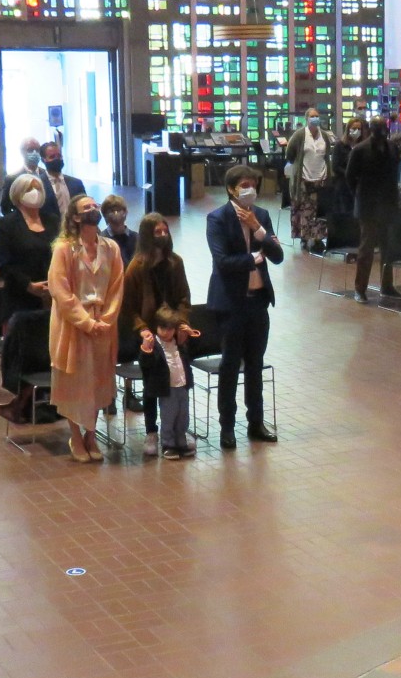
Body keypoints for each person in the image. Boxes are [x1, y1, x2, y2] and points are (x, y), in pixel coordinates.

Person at [205, 167, 283, 449]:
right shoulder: (217, 218)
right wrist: (254, 258)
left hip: (258, 302)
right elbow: (223, 262)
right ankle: (227, 426)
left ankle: (256, 422)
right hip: (231, 304)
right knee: (229, 365)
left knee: (255, 365)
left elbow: (278, 256)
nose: (250, 189)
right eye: (245, 185)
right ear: (231, 190)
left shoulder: (261, 216)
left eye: (254, 185)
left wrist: (258, 230)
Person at [48, 193, 124, 463]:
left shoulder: (111, 248)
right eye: (86, 207)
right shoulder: (64, 248)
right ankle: (75, 435)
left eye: (95, 205)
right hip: (73, 323)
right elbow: (61, 291)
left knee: (97, 381)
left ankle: (91, 434)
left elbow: (116, 287)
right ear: (76, 217)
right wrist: (86, 322)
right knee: (74, 382)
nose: (93, 208)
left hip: (103, 323)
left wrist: (106, 319)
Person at [121, 213, 193, 454]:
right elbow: (128, 307)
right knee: (153, 386)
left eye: (165, 231)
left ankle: (178, 432)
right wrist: (143, 331)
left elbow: (184, 298)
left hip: (172, 333)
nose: (163, 236)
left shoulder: (176, 262)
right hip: (150, 334)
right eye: (157, 232)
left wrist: (181, 324)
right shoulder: (136, 268)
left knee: (178, 384)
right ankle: (152, 432)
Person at [0, 172, 60, 422]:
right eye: (30, 189)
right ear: (19, 195)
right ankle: (15, 402)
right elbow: (3, 262)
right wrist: (28, 285)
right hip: (20, 295)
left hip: (51, 295)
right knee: (23, 351)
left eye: (38, 188)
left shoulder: (53, 221)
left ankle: (45, 403)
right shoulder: (8, 224)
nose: (36, 193)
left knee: (46, 350)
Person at [346, 118, 401, 301]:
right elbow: (350, 177)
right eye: (377, 129)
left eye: (382, 129)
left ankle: (387, 286)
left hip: (387, 204)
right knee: (366, 250)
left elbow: (394, 174)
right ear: (370, 129)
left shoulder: (392, 148)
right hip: (368, 206)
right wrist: (360, 195)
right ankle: (360, 288)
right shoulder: (360, 149)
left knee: (388, 249)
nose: (380, 132)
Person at [139, 305, 196, 461]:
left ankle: (181, 441)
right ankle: (168, 444)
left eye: (170, 329)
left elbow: (187, 358)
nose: (166, 333)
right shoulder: (154, 345)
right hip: (168, 389)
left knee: (183, 416)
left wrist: (186, 335)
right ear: (156, 327)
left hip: (182, 386)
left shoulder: (179, 342)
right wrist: (146, 348)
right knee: (169, 417)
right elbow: (145, 364)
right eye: (162, 328)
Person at [284, 108, 332, 249]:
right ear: (306, 118)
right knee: (305, 209)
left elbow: (327, 154)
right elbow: (290, 153)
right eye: (312, 116)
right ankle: (305, 237)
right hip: (304, 179)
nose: (315, 118)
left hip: (321, 178)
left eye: (317, 116)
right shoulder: (300, 135)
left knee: (319, 209)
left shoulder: (324, 135)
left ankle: (318, 238)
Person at [38, 139, 85, 224]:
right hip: (50, 232)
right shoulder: (38, 184)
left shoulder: (76, 183)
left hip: (75, 229)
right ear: (43, 160)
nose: (57, 159)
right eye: (52, 157)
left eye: (59, 156)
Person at [100, 195, 136, 264]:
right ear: (105, 215)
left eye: (119, 210)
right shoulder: (101, 239)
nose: (116, 213)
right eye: (111, 211)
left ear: (125, 212)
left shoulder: (136, 237)